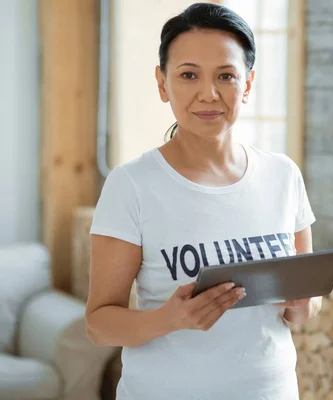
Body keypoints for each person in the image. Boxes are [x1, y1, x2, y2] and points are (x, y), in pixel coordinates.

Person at [84, 3, 320, 399]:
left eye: (226, 75)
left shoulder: (283, 176)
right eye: (188, 75)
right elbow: (98, 324)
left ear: (247, 84)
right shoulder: (132, 185)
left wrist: (302, 303)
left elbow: (303, 310)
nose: (208, 93)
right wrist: (170, 319)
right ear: (162, 84)